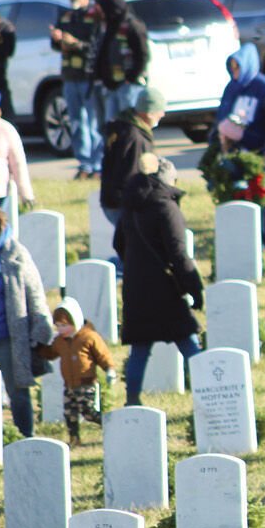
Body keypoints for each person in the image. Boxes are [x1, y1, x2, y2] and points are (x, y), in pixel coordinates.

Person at [113, 152, 203, 407]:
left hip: (136, 287)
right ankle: (208, 389)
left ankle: (132, 400)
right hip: (164, 288)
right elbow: (178, 253)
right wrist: (194, 288)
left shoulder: (130, 207)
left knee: (140, 349)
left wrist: (137, 266)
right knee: (188, 342)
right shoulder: (166, 207)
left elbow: (118, 244)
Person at [0, 205, 52, 438]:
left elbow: (34, 292)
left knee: (18, 392)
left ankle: (26, 436)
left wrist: (41, 327)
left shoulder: (14, 255)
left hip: (4, 338)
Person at [215, 44, 265, 242]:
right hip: (239, 151)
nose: (235, 72)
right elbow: (222, 115)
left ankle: (263, 237)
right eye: (232, 68)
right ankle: (240, 234)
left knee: (263, 194)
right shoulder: (232, 87)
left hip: (264, 152)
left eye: (238, 67)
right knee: (237, 191)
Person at [37, 297, 116, 447]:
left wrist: (109, 369)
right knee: (69, 414)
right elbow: (50, 353)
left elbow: (103, 355)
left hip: (86, 384)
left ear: (75, 321)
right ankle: (74, 439)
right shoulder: (60, 341)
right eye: (58, 326)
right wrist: (37, 348)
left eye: (64, 325)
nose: (61, 329)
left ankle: (111, 427)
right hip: (69, 385)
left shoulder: (89, 337)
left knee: (89, 412)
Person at [50, 0, 103, 179]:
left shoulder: (94, 16)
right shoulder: (65, 16)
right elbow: (55, 45)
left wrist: (76, 44)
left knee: (92, 122)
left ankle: (97, 164)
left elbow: (95, 46)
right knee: (76, 121)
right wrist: (58, 41)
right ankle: (84, 164)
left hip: (87, 76)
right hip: (69, 76)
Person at [100, 86, 163, 232]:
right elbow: (131, 174)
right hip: (123, 204)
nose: (163, 114)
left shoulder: (123, 128)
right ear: (149, 112)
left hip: (112, 200)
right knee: (131, 250)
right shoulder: (135, 138)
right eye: (160, 110)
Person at [93, 0, 149, 122]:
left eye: (102, 8)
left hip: (129, 86)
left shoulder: (133, 25)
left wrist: (131, 77)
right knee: (111, 125)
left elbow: (143, 56)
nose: (100, 11)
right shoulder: (111, 26)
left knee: (130, 122)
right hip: (111, 85)